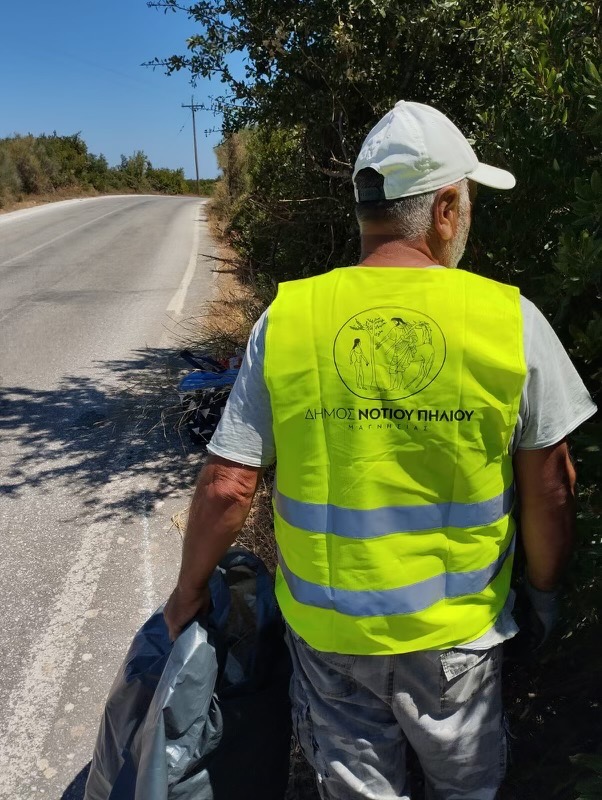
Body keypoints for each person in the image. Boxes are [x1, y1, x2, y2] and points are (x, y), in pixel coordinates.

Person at [164, 101, 597, 799]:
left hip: (331, 641)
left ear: (368, 209)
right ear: (446, 209)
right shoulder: (510, 321)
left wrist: (188, 592)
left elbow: (227, 486)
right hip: (459, 643)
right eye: (469, 201)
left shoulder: (289, 318)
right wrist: (543, 595)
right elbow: (552, 488)